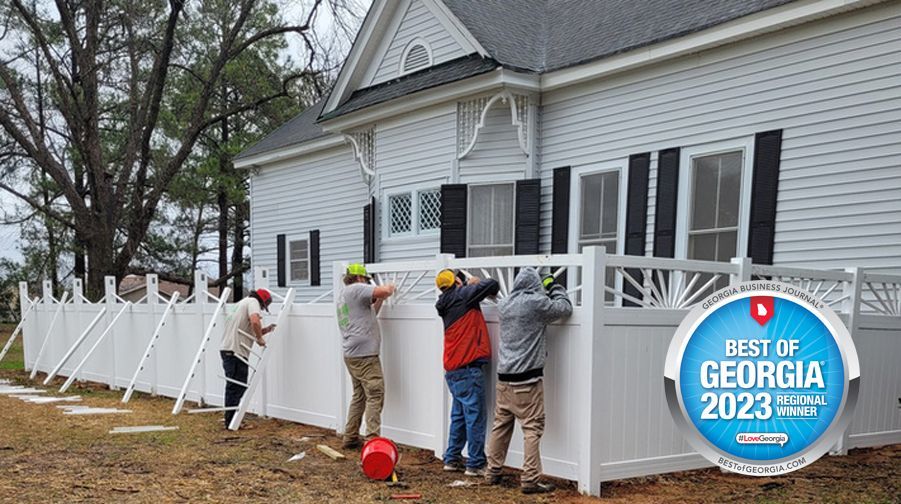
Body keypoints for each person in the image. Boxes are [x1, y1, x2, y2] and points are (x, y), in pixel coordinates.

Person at [485, 267, 572, 494]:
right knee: (532, 428)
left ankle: (492, 471)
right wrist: (552, 285)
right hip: (527, 381)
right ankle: (530, 480)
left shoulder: (504, 305)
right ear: (535, 285)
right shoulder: (536, 304)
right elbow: (565, 308)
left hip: (504, 378)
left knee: (501, 426)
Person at [434, 269, 499, 476]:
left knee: (460, 416)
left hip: (453, 369)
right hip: (468, 368)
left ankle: (452, 459)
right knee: (475, 417)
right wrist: (473, 283)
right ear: (457, 282)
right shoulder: (462, 295)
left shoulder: (446, 301)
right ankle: (476, 463)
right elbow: (493, 284)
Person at [337, 263, 395, 449]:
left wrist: (380, 300)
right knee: (375, 394)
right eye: (367, 280)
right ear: (360, 278)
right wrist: (391, 287)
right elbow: (384, 291)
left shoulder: (345, 295)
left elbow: (370, 313)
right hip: (365, 356)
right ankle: (372, 440)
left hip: (352, 354)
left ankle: (351, 436)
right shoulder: (357, 288)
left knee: (360, 395)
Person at [220, 288, 275, 428]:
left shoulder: (241, 303)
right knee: (236, 387)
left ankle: (231, 419)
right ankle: (232, 422)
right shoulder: (253, 302)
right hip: (236, 351)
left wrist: (266, 330)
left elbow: (251, 327)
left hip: (228, 349)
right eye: (264, 306)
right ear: (262, 301)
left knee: (235, 386)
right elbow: (255, 322)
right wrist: (260, 339)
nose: (262, 309)